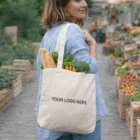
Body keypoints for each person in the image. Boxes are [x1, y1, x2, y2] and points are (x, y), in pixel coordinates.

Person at [36, 0, 108, 140]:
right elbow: (89, 69)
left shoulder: (49, 34)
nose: (85, 4)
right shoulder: (73, 30)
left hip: (56, 112)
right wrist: (93, 44)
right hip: (80, 110)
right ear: (61, 4)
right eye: (77, 0)